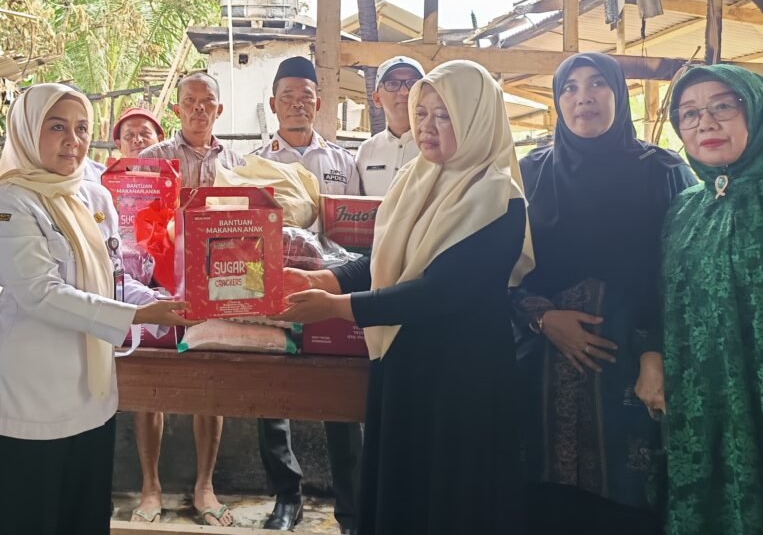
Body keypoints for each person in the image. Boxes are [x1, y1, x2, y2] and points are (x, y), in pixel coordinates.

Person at [280, 59, 533, 535]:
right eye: (422, 113)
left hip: (461, 378)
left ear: (476, 118)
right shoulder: (416, 179)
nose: (427, 127)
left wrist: (339, 308)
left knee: (449, 497)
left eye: (444, 115)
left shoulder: (498, 197)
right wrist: (326, 280)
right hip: (405, 362)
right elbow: (385, 259)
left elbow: (442, 291)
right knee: (403, 490)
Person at [0, 83, 189, 535]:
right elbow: (40, 293)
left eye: (82, 128)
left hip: (92, 397)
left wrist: (163, 302)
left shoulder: (94, 197)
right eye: (57, 127)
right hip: (29, 401)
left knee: (84, 520)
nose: (73, 140)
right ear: (28, 131)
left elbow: (113, 280)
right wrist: (139, 317)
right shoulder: (10, 200)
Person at [510, 53, 695, 535]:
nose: (583, 97)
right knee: (546, 502)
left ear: (619, 94)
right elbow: (499, 270)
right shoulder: (530, 174)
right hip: (542, 371)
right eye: (569, 88)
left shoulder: (663, 172)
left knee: (628, 502)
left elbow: (684, 274)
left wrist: (654, 354)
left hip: (630, 374)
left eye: (596, 84)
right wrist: (542, 318)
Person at [252, 56, 361, 533]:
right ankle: (286, 498)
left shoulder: (343, 162)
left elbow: (356, 232)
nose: (297, 104)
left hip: (331, 289)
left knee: (341, 397)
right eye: (288, 97)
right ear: (274, 104)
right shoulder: (254, 163)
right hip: (273, 291)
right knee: (272, 395)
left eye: (306, 97)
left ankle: (351, 509)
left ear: (318, 104)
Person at [133, 72, 244, 526]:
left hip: (218, 287)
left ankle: (204, 486)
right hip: (156, 286)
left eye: (208, 101)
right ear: (176, 108)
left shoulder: (238, 162)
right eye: (190, 101)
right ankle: (149, 487)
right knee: (148, 383)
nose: (199, 108)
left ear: (219, 109)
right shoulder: (151, 160)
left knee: (211, 383)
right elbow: (132, 221)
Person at [658, 64, 763, 535]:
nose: (706, 123)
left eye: (723, 106)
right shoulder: (684, 208)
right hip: (702, 402)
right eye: (689, 114)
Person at [355, 56, 423, 196]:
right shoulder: (367, 150)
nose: (404, 92)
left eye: (413, 83)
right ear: (377, 99)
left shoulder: (440, 147)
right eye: (392, 84)